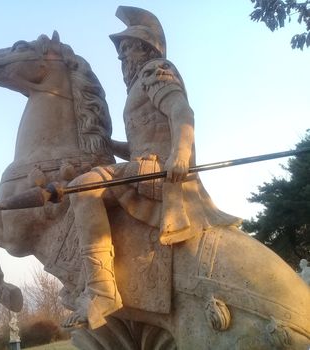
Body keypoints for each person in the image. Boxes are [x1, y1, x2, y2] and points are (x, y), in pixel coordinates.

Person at [62, 6, 240, 330]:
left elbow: (181, 112)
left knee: (82, 189)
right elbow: (143, 140)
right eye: (121, 51)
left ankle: (101, 291)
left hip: (157, 172)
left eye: (127, 47)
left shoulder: (155, 70)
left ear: (146, 47)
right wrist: (110, 145)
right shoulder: (137, 87)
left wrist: (182, 156)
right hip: (143, 165)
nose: (122, 56)